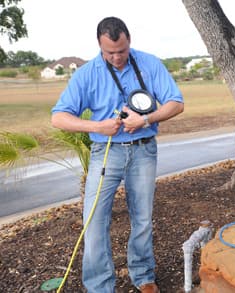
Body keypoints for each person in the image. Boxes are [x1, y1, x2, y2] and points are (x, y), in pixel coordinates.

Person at [51, 16, 184, 293]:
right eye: (109, 52)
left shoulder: (149, 63)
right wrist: (96, 126)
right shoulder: (87, 73)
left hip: (143, 150)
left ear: (129, 41)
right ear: (99, 46)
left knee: (143, 218)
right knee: (95, 221)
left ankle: (144, 276)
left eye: (121, 51)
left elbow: (176, 103)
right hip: (104, 152)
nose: (116, 57)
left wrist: (145, 121)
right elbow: (59, 118)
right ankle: (100, 285)